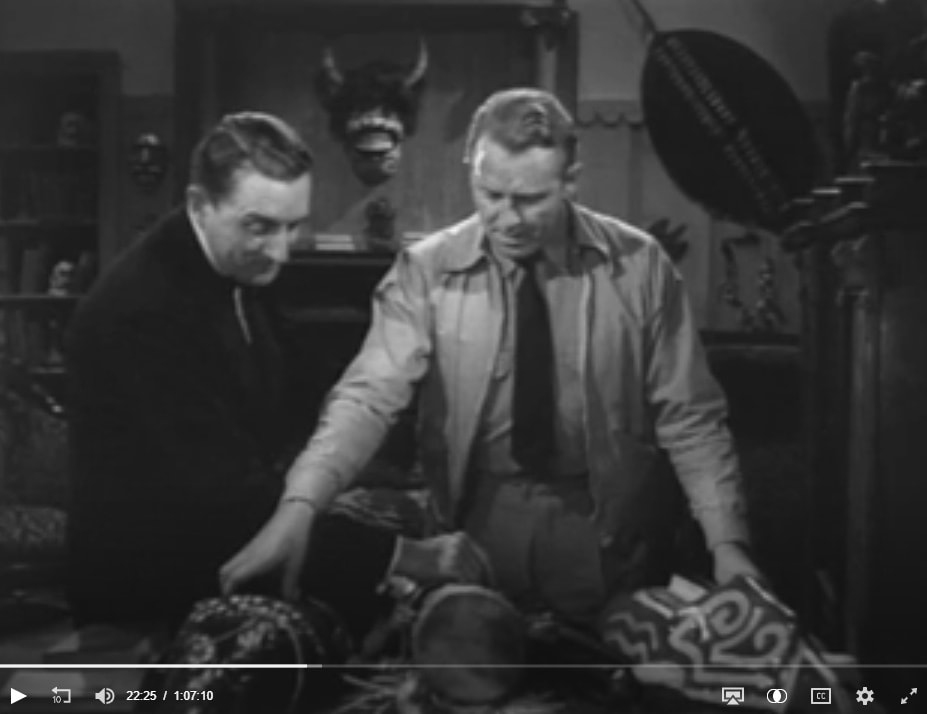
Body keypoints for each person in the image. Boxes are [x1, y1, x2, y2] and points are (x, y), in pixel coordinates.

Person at [221, 88, 760, 636]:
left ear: (571, 181)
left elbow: (690, 416)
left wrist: (728, 547)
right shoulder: (427, 270)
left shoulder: (640, 266)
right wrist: (300, 506)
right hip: (475, 535)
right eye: (490, 193)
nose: (507, 218)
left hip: (607, 539)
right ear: (471, 170)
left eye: (530, 199)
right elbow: (367, 398)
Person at [66, 112, 400, 633]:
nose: (282, 251)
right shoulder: (141, 312)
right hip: (145, 596)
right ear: (200, 204)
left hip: (218, 547)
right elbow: (222, 497)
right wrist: (394, 555)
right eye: (261, 226)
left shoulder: (236, 263)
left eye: (293, 226)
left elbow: (299, 392)